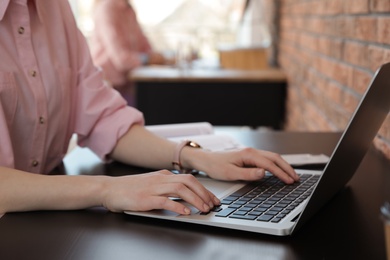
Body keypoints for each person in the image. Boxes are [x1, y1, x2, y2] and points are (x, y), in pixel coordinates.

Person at [0, 0, 298, 217]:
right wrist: (107, 189)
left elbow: (105, 119)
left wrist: (198, 157)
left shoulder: (56, 8)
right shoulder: (105, 9)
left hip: (48, 216)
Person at [89, 0, 172, 105]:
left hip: (127, 84)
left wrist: (157, 56)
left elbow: (144, 45)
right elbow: (121, 59)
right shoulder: (107, 8)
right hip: (109, 87)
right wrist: (148, 59)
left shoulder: (128, 9)